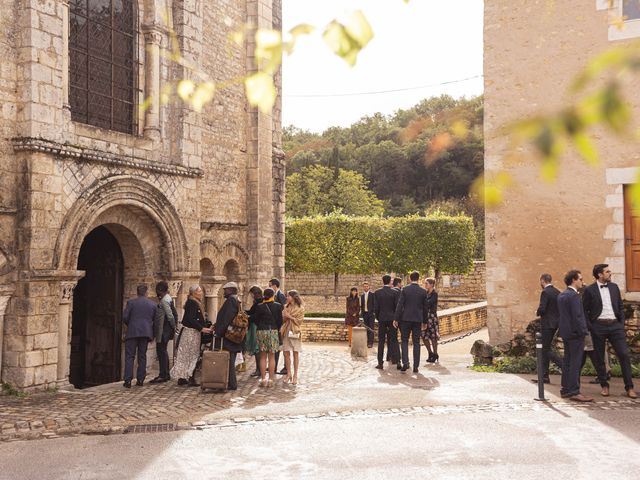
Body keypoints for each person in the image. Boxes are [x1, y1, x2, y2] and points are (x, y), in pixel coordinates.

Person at [582, 264, 637, 398]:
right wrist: (591, 326)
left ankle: (629, 387)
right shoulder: (589, 290)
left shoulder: (614, 287)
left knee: (624, 354)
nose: (610, 273)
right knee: (599, 358)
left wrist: (621, 322)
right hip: (598, 326)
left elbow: (619, 305)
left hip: (615, 326)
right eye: (607, 272)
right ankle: (604, 386)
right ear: (600, 274)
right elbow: (584, 310)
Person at [557, 270, 593, 402]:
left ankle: (565, 389)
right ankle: (574, 391)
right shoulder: (573, 296)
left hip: (566, 333)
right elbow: (578, 317)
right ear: (573, 280)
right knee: (575, 363)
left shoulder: (562, 295)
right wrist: (584, 331)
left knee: (567, 361)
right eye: (580, 279)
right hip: (576, 334)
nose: (582, 282)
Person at [171, 285, 212, 386]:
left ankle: (184, 377)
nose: (201, 293)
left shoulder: (193, 302)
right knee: (191, 355)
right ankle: (189, 377)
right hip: (191, 333)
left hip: (192, 332)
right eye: (199, 291)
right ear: (193, 293)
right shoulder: (192, 303)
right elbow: (191, 319)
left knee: (187, 355)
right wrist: (202, 328)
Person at [122, 285, 157, 388]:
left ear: (137, 292)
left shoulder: (131, 303)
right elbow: (156, 322)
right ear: (146, 293)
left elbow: (125, 317)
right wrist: (153, 334)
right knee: (142, 356)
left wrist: (131, 325)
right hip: (145, 333)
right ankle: (140, 380)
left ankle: (128, 380)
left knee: (130, 356)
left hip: (132, 332)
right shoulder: (153, 304)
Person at [394, 271, 428, 373]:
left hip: (405, 319)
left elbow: (400, 305)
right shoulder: (423, 291)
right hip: (417, 319)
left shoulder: (405, 289)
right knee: (416, 342)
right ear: (418, 278)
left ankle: (405, 363)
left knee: (404, 341)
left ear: (410, 278)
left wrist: (396, 318)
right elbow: (425, 308)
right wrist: (425, 321)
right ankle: (416, 366)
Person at [249, 287, 282, 387]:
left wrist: (260, 324)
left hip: (262, 331)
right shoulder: (278, 306)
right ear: (273, 295)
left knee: (262, 356)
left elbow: (254, 319)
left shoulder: (260, 306)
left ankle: (263, 379)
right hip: (273, 331)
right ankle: (271, 379)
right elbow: (280, 321)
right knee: (272, 356)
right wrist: (275, 327)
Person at [533, 273, 563, 384]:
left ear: (542, 281)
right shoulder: (557, 292)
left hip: (547, 324)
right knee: (545, 349)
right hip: (556, 324)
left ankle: (562, 365)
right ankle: (544, 376)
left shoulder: (545, 292)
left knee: (544, 349)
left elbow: (542, 308)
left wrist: (537, 312)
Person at [213, 282, 242, 391]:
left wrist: (218, 332)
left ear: (230, 290)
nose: (224, 292)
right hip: (232, 335)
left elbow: (227, 318)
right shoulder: (236, 299)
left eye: (225, 290)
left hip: (229, 336)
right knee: (230, 359)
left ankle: (231, 383)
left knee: (228, 359)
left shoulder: (231, 300)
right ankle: (230, 382)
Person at [150, 281, 176, 384]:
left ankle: (163, 374)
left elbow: (170, 316)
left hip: (163, 330)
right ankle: (165, 373)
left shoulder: (164, 301)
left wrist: (174, 327)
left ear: (160, 290)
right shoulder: (168, 298)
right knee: (163, 351)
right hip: (165, 329)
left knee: (161, 352)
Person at [374, 274, 400, 370]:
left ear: (382, 281)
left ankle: (380, 363)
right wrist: (396, 319)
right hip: (392, 319)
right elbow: (397, 307)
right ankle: (398, 361)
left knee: (381, 341)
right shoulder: (395, 292)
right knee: (394, 340)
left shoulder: (377, 292)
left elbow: (376, 308)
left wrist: (378, 317)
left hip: (382, 319)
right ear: (390, 282)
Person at [282, 290, 304, 385]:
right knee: (286, 353)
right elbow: (283, 319)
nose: (287, 298)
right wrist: (285, 316)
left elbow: (299, 321)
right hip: (286, 331)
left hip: (295, 331)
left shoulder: (301, 308)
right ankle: (289, 373)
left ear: (293, 297)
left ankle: (295, 375)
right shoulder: (285, 306)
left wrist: (289, 316)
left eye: (288, 296)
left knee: (295, 353)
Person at [269, 278, 287, 375]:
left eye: (270, 285)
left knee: (281, 346)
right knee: (277, 346)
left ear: (275, 286)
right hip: (277, 325)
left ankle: (284, 367)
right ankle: (273, 366)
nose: (269, 287)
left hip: (280, 325)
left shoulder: (280, 295)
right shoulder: (276, 295)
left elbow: (284, 309)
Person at [422, 278, 440, 364]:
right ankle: (430, 353)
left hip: (432, 317)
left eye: (427, 283)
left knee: (433, 337)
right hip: (425, 317)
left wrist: (423, 303)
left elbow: (429, 303)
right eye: (425, 283)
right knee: (424, 336)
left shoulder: (434, 294)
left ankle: (435, 354)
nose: (425, 285)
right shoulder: (424, 293)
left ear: (432, 284)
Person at [246, 286, 263, 378]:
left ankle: (259, 370)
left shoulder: (259, 303)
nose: (252, 296)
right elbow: (251, 312)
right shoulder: (257, 302)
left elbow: (255, 315)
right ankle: (259, 369)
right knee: (257, 349)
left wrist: (247, 317)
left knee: (257, 349)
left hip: (256, 326)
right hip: (255, 326)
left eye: (252, 294)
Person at [360, 282, 376, 348]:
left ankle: (370, 343)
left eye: (367, 286)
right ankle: (366, 341)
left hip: (371, 314)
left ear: (369, 287)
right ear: (363, 287)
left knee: (371, 328)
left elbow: (375, 304)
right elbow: (362, 305)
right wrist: (362, 314)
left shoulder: (372, 294)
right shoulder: (362, 295)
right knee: (366, 328)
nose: (365, 287)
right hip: (365, 314)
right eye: (364, 286)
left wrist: (374, 312)